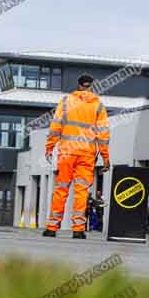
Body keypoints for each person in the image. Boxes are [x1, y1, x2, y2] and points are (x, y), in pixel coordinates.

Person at [43, 74, 111, 239]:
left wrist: (50, 146)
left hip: (67, 152)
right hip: (86, 153)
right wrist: (105, 157)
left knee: (61, 189)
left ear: (79, 85)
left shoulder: (66, 102)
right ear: (91, 86)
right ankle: (78, 230)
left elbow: (56, 125)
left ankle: (52, 228)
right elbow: (103, 134)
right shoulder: (98, 106)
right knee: (81, 191)